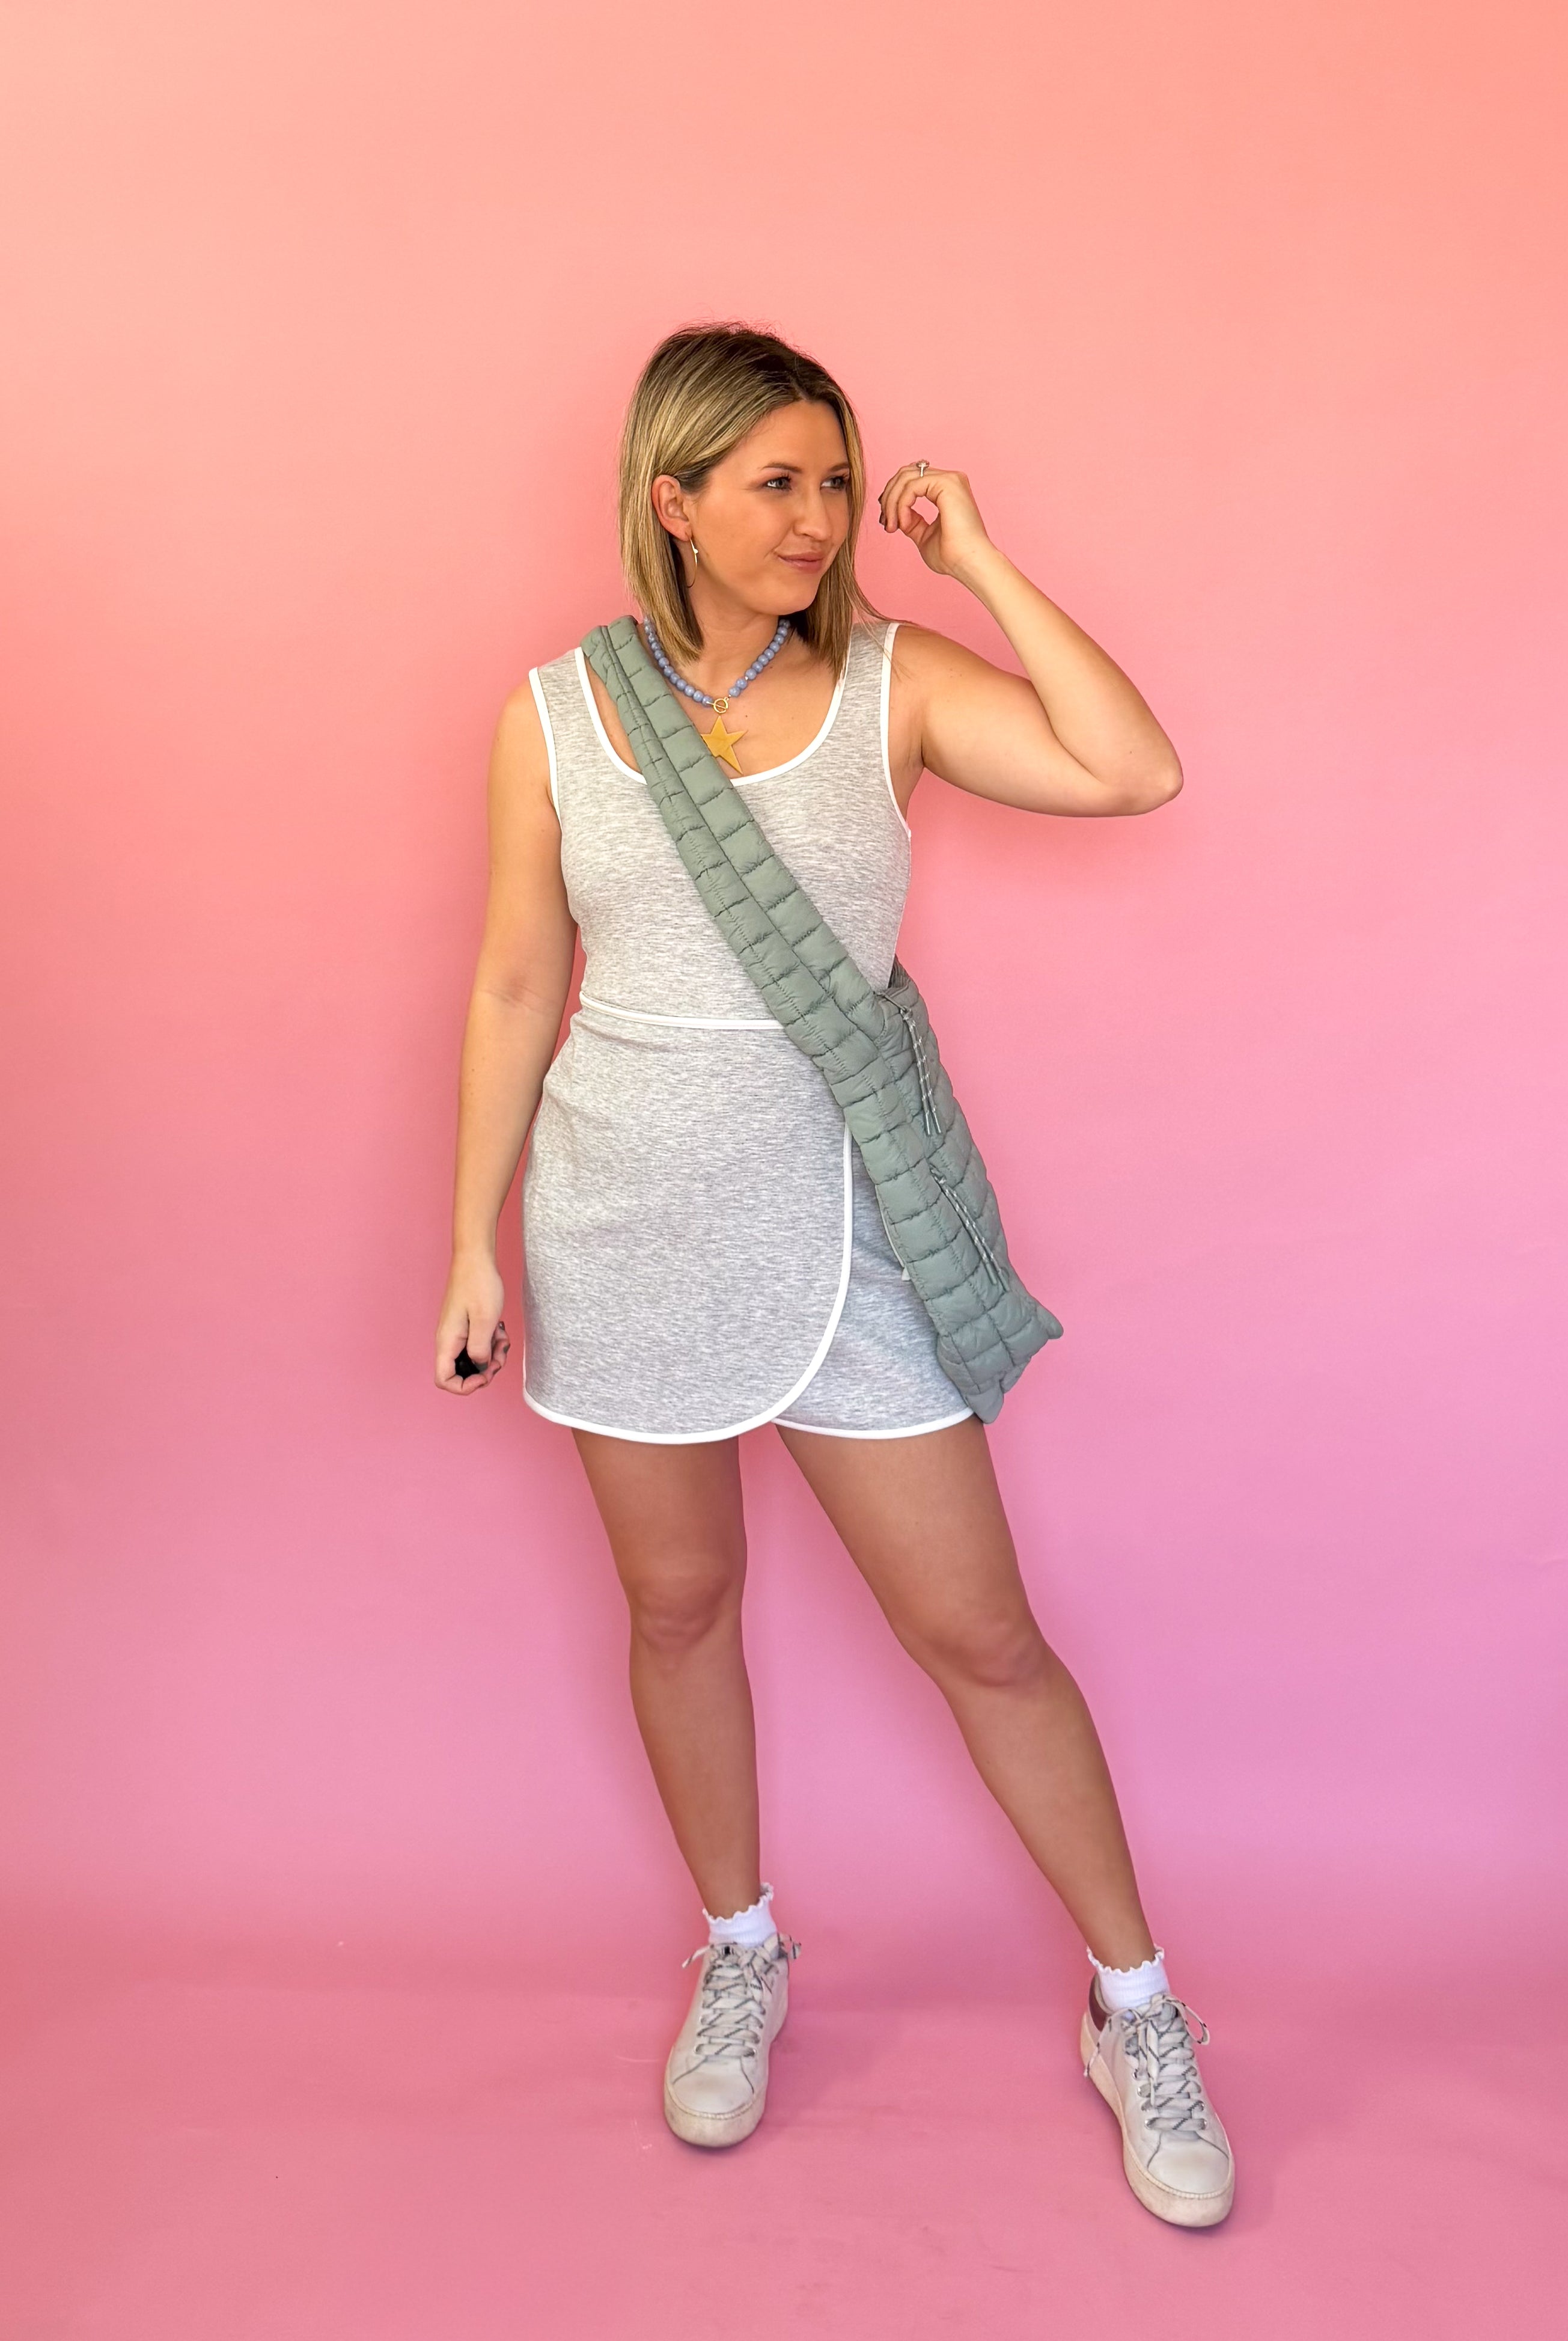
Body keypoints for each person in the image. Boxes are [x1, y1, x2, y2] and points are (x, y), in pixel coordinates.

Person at [435, 324, 1234, 2227]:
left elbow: (1130, 770)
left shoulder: (894, 685)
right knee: (678, 1607)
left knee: (982, 1634)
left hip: (851, 1224)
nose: (815, 516)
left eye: (833, 479)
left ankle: (1134, 2007)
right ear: (674, 500)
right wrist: (470, 1235)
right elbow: (517, 980)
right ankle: (739, 1952)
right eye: (774, 483)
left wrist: (978, 562)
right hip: (623, 1220)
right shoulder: (554, 713)